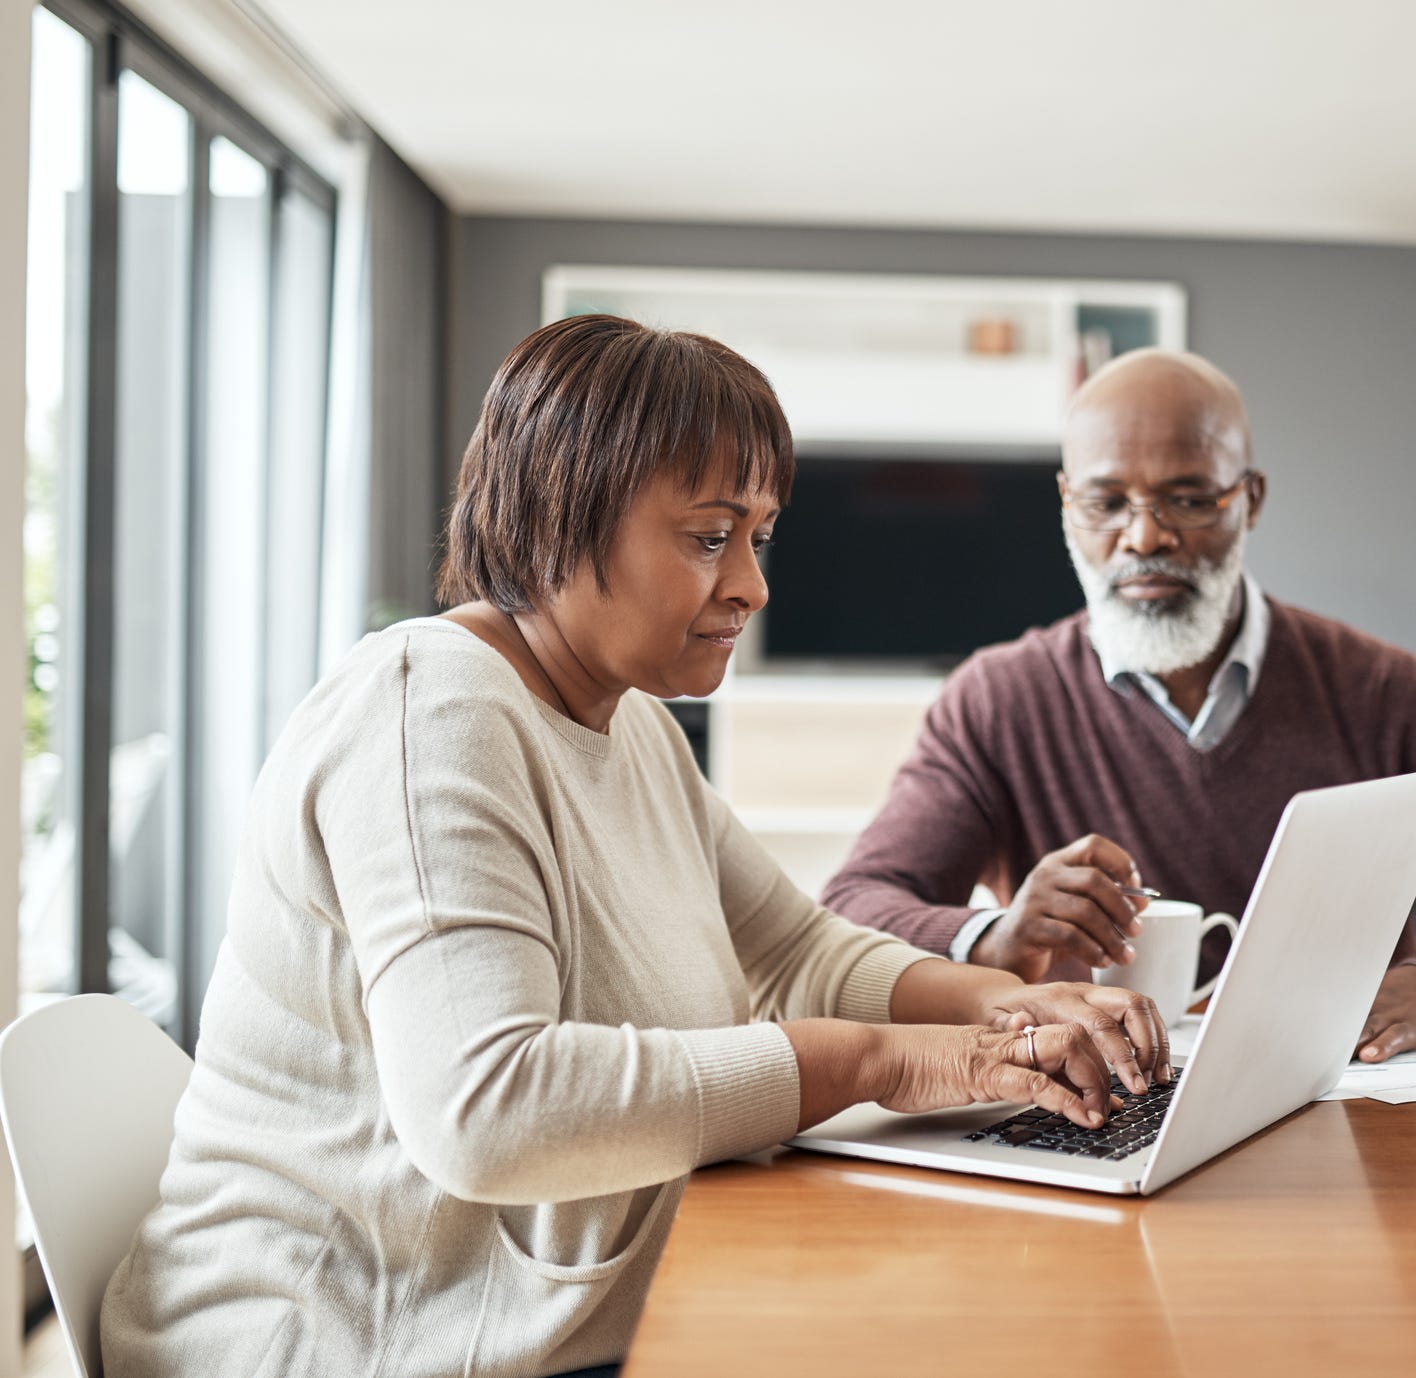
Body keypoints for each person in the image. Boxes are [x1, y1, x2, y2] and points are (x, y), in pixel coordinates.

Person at [100, 316, 1169, 1378]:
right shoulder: (428, 716)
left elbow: (800, 952)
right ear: (559, 518)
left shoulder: (632, 724)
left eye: (759, 537)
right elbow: (489, 1111)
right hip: (355, 1341)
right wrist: (880, 1059)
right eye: (710, 537)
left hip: (545, 1314)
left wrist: (1003, 1010)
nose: (750, 585)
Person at [823, 348, 1416, 1061]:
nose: (1144, 538)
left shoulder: (1387, 697)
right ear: (1068, 505)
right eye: (1107, 503)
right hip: (1092, 1108)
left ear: (1251, 499)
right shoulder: (997, 702)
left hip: (1339, 1112)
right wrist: (997, 939)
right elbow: (849, 914)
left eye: (1188, 499)